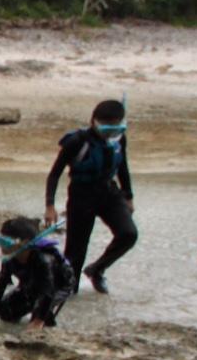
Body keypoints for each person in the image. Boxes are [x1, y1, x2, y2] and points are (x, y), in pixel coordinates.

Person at [45, 100, 136, 293]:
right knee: (75, 253)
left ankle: (97, 269)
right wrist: (50, 206)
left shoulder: (120, 139)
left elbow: (123, 168)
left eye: (115, 127)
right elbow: (55, 173)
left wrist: (128, 196)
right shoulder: (77, 141)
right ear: (93, 121)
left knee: (129, 234)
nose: (110, 133)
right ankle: (68, 290)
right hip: (81, 195)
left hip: (109, 192)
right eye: (105, 127)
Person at [0, 215, 76, 329]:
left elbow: (47, 292)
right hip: (31, 282)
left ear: (25, 243)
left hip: (58, 285)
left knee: (41, 313)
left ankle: (48, 327)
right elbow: (1, 283)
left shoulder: (44, 260)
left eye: (6, 242)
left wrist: (38, 321)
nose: (2, 247)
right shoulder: (10, 258)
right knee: (5, 311)